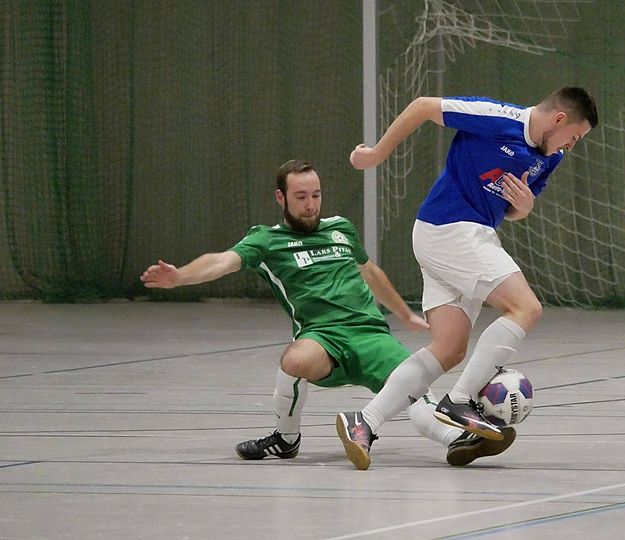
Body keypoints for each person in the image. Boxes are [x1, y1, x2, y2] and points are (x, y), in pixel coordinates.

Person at [140, 159, 516, 469]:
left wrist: (403, 314)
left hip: (370, 335)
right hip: (323, 338)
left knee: (416, 390)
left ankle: (458, 441)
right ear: (281, 197)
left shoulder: (340, 229)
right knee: (295, 358)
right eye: (301, 196)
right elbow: (222, 261)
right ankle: (286, 438)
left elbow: (371, 273)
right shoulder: (266, 240)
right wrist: (180, 277)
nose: (310, 204)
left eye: (316, 195)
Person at [336, 87, 598, 469]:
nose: (571, 146)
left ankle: (364, 421)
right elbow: (424, 107)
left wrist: (524, 208)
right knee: (525, 308)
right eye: (574, 136)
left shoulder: (550, 157)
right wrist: (376, 154)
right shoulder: (496, 118)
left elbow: (512, 210)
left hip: (463, 236)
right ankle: (460, 400)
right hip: (451, 228)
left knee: (449, 348)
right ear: (559, 119)